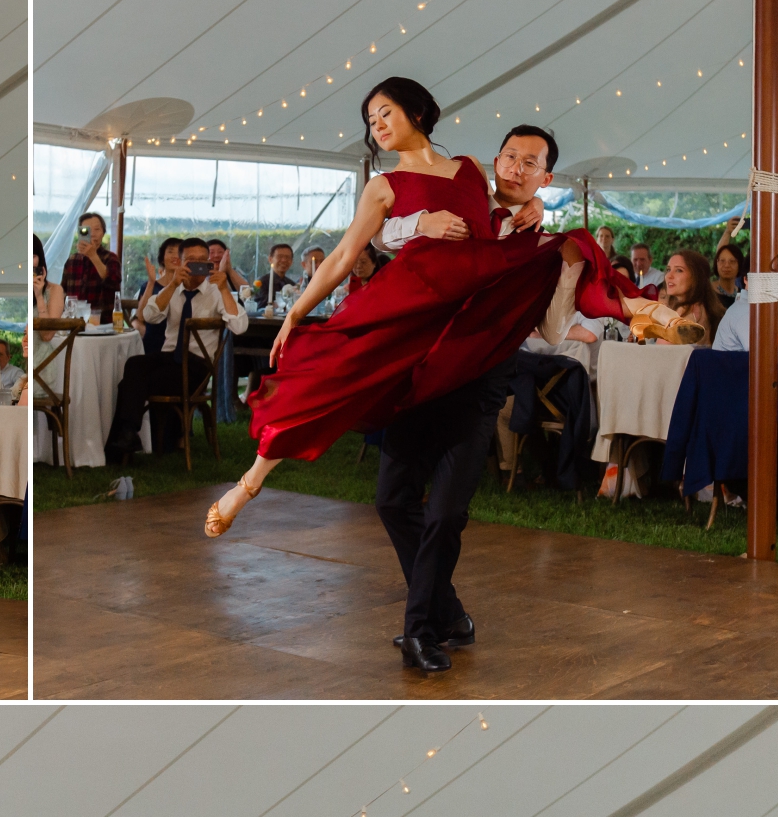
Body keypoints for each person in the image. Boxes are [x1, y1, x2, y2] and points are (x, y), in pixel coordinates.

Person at [206, 86, 700, 666]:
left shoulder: (512, 214)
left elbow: (539, 291)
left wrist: (530, 229)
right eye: (509, 157)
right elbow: (365, 246)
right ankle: (447, 612)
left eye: (530, 163)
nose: (515, 167)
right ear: (497, 163)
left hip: (478, 373)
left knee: (445, 511)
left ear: (545, 177)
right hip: (420, 362)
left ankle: (420, 630)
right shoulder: (423, 188)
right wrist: (309, 300)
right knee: (392, 501)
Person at [104, 239, 248, 466]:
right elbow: (150, 316)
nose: (198, 266)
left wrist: (224, 289)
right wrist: (171, 285)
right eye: (191, 261)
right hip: (169, 357)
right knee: (134, 364)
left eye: (203, 261)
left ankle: (124, 441)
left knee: (135, 382)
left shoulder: (216, 291)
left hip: (197, 366)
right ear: (179, 262)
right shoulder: (173, 288)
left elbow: (240, 326)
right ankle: (128, 436)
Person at [60, 211, 119, 324]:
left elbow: (113, 282)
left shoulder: (111, 258)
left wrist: (93, 256)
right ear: (80, 233)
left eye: (97, 229)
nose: (92, 234)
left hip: (102, 323)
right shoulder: (72, 260)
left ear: (103, 233)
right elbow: (63, 291)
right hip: (74, 323)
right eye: (87, 230)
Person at [656, 250, 724, 347]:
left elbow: (660, 351)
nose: (669, 276)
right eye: (668, 270)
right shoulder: (704, 306)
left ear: (696, 276)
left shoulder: (686, 310)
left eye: (679, 270)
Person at [254, 242, 295, 307]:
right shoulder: (260, 283)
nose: (284, 260)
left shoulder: (292, 284)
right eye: (280, 256)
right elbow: (260, 305)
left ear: (292, 261)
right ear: (270, 259)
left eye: (287, 257)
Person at [713, 241, 747, 307]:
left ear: (739, 264)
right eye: (722, 261)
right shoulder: (707, 292)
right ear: (716, 263)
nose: (726, 265)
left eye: (732, 261)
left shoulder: (743, 295)